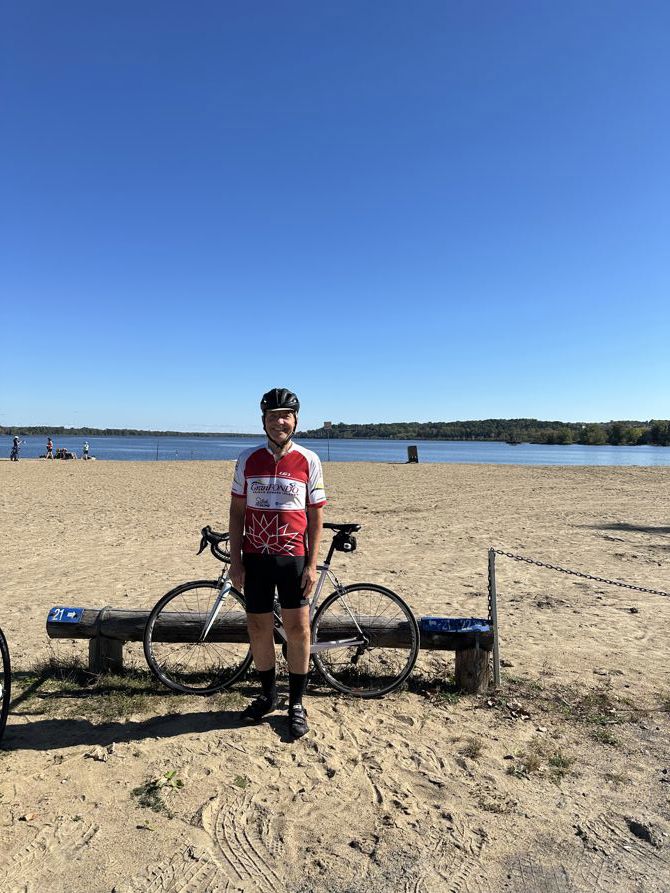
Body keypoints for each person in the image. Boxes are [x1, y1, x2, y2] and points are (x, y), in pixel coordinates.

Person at [229, 388, 326, 739]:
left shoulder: (309, 460)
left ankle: (296, 703)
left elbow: (316, 519)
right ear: (264, 421)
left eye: (285, 416)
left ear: (295, 420)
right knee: (258, 629)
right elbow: (237, 511)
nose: (279, 422)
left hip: (292, 559)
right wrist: (236, 560)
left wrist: (312, 565)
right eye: (273, 417)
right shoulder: (247, 458)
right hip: (255, 557)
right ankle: (267, 694)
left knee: (299, 629)